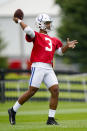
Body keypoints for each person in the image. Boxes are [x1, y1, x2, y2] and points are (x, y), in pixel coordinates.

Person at [8, 13, 78, 125]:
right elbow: (28, 31)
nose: (50, 24)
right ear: (41, 24)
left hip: (49, 68)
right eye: (47, 23)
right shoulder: (36, 35)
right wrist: (20, 21)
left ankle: (50, 119)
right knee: (32, 91)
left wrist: (66, 46)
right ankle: (13, 110)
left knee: (55, 90)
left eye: (49, 22)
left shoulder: (54, 39)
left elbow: (60, 52)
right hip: (38, 66)